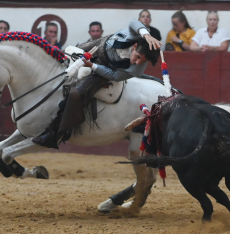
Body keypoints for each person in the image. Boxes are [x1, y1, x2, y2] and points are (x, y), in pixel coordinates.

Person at [32, 19, 162, 148]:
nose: (137, 62)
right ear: (134, 47)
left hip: (105, 68)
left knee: (79, 92)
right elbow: (134, 22)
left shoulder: (137, 69)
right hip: (99, 45)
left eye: (142, 61)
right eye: (138, 57)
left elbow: (114, 75)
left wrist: (92, 66)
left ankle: (55, 133)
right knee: (66, 56)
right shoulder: (135, 36)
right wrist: (146, 34)